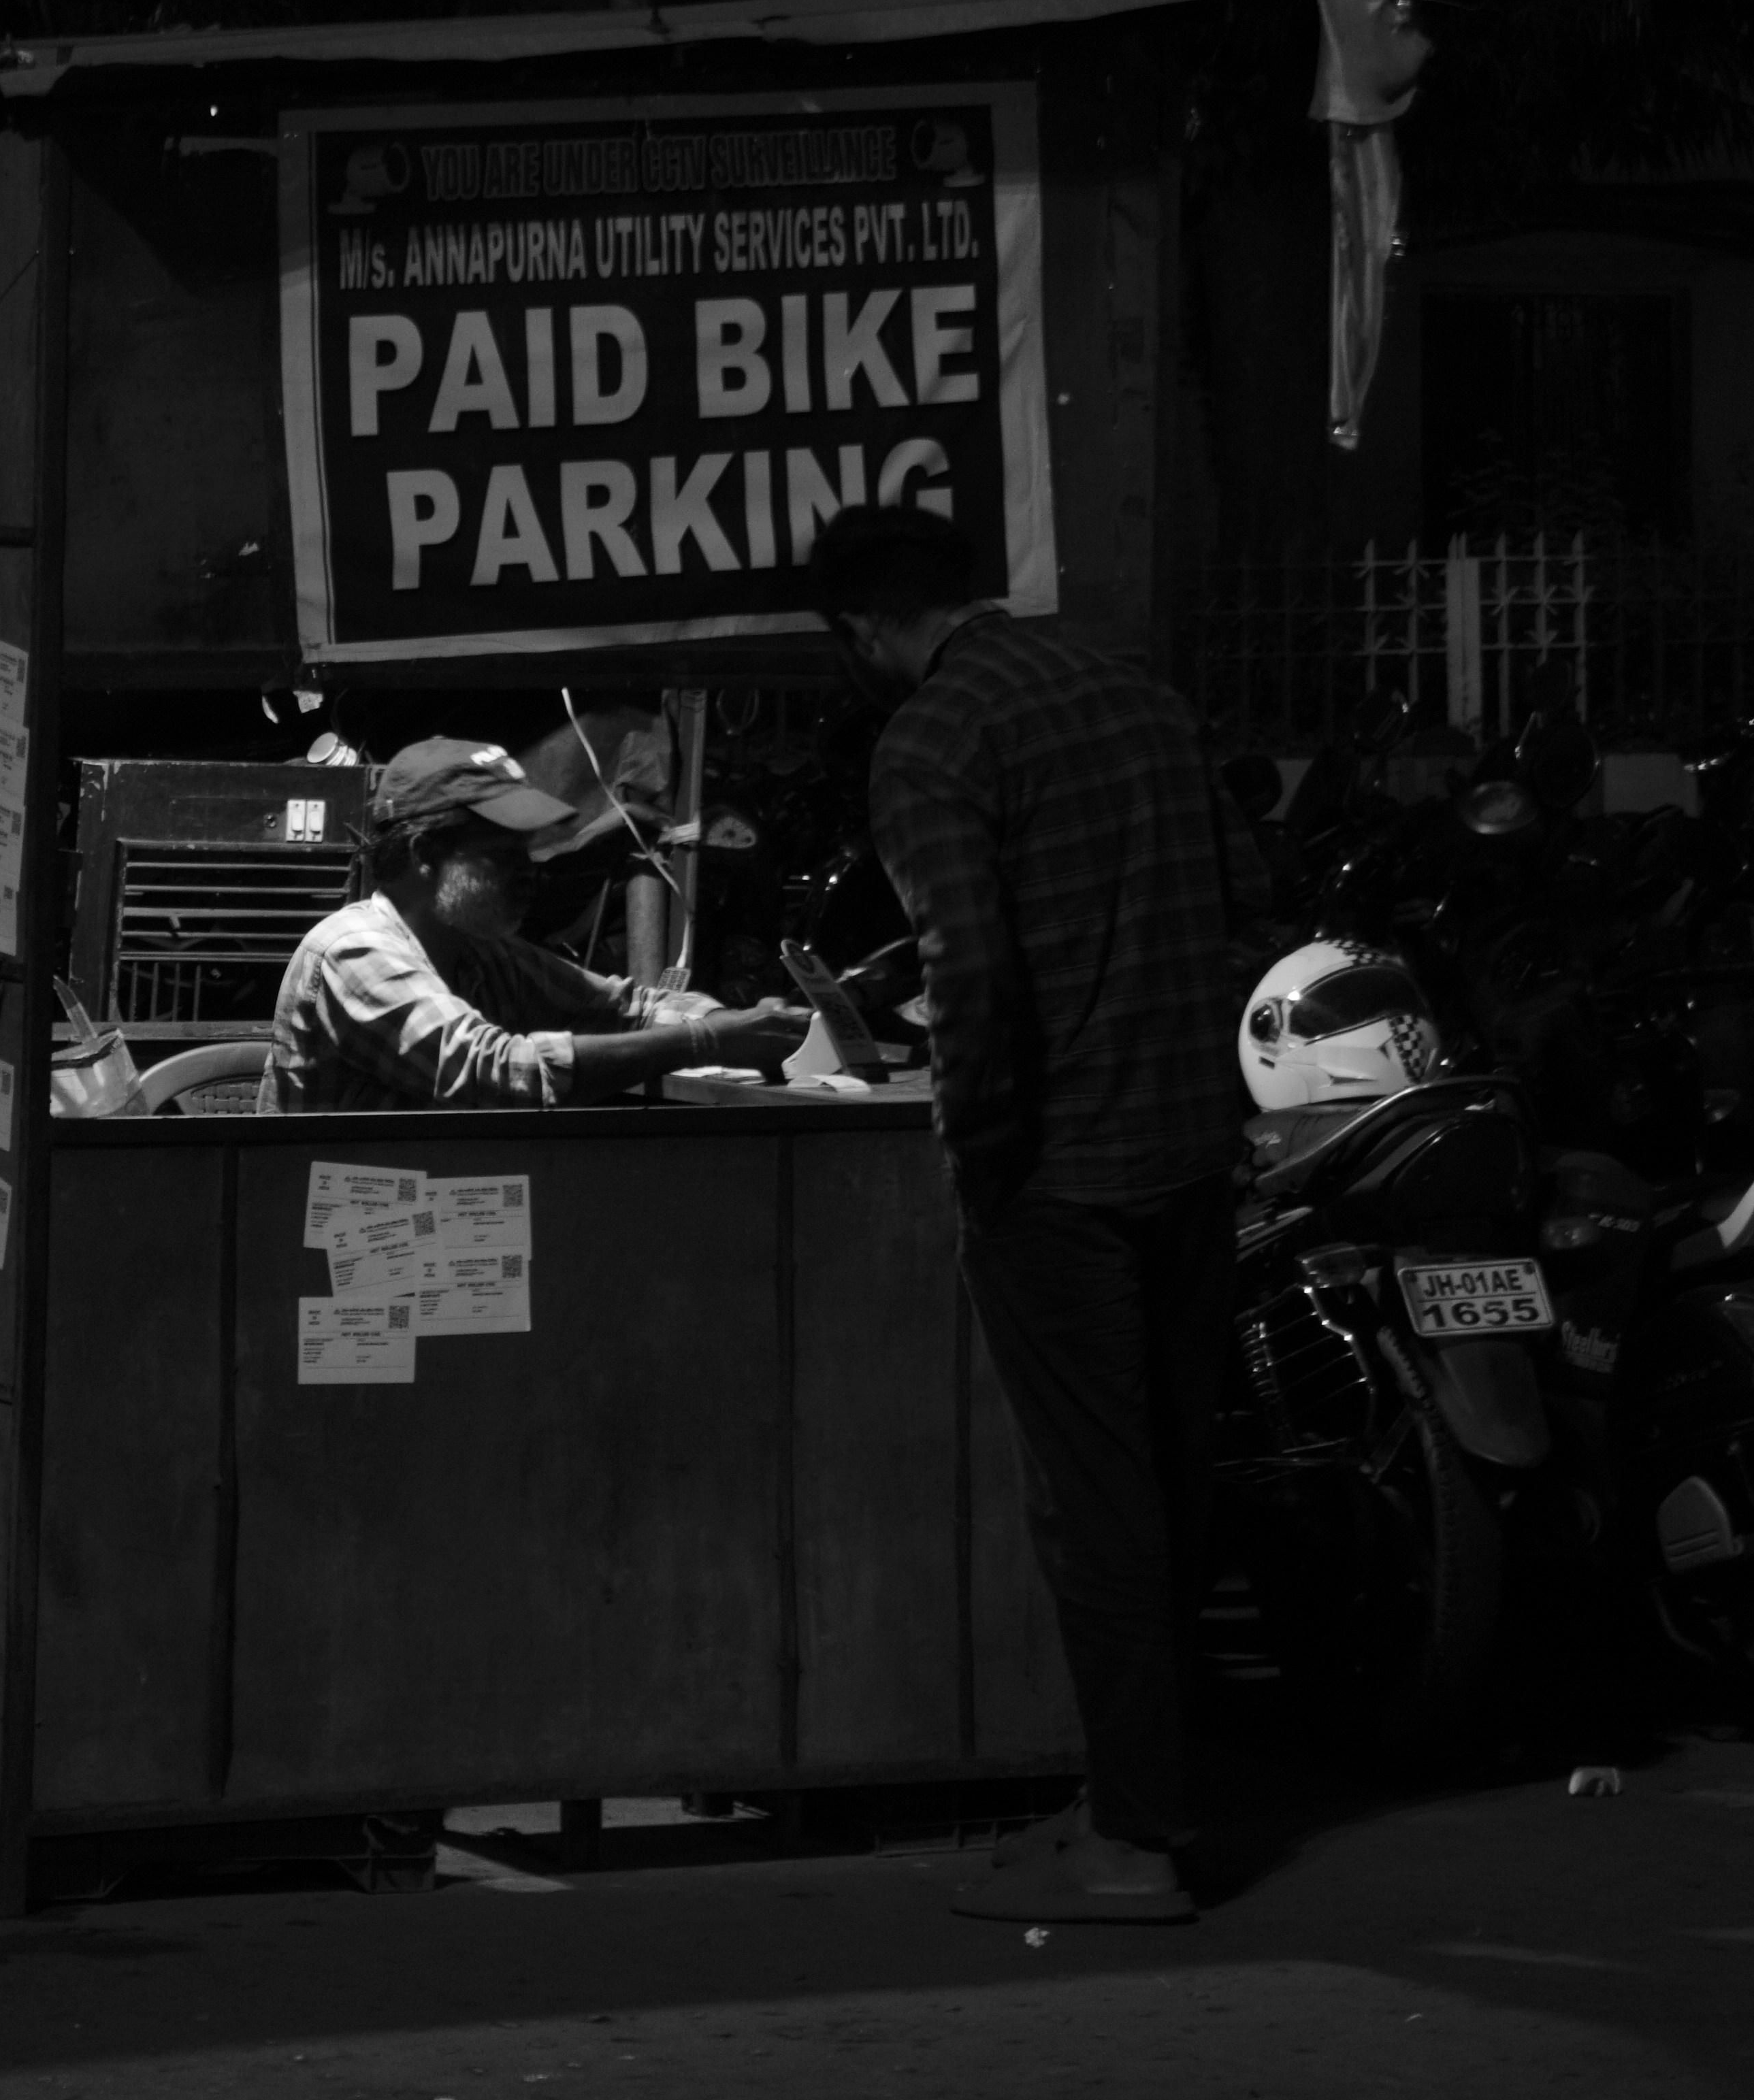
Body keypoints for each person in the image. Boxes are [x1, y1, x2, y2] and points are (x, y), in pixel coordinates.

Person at [803, 506, 1244, 1926]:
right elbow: (1238, 899)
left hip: (1059, 1180)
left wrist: (974, 1155)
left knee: (1095, 1509)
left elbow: (970, 975)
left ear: (869, 631)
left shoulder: (930, 742)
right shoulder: (1129, 687)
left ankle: (1135, 1841)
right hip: (1186, 1153)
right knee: (1172, 1486)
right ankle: (1145, 1796)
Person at [267, 736, 808, 1113]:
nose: (530, 873)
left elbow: (628, 1008)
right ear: (426, 853)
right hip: (340, 1240)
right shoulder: (353, 949)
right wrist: (705, 1041)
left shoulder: (480, 953)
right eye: (504, 854)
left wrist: (742, 1025)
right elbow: (498, 1074)